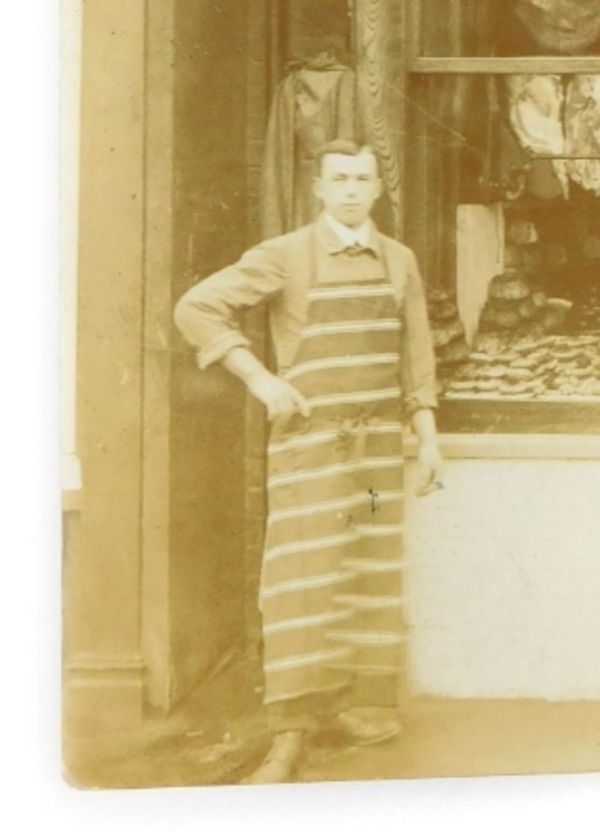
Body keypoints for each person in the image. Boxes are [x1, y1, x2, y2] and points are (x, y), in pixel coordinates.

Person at [174, 140, 445, 784]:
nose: (352, 190)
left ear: (378, 187)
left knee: (373, 565)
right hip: (312, 444)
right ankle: (291, 726)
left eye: (363, 179)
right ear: (319, 188)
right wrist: (261, 380)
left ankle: (363, 706)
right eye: (340, 180)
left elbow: (417, 356)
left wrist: (428, 438)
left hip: (379, 449)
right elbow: (196, 308)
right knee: (304, 573)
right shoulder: (286, 256)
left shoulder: (399, 261)